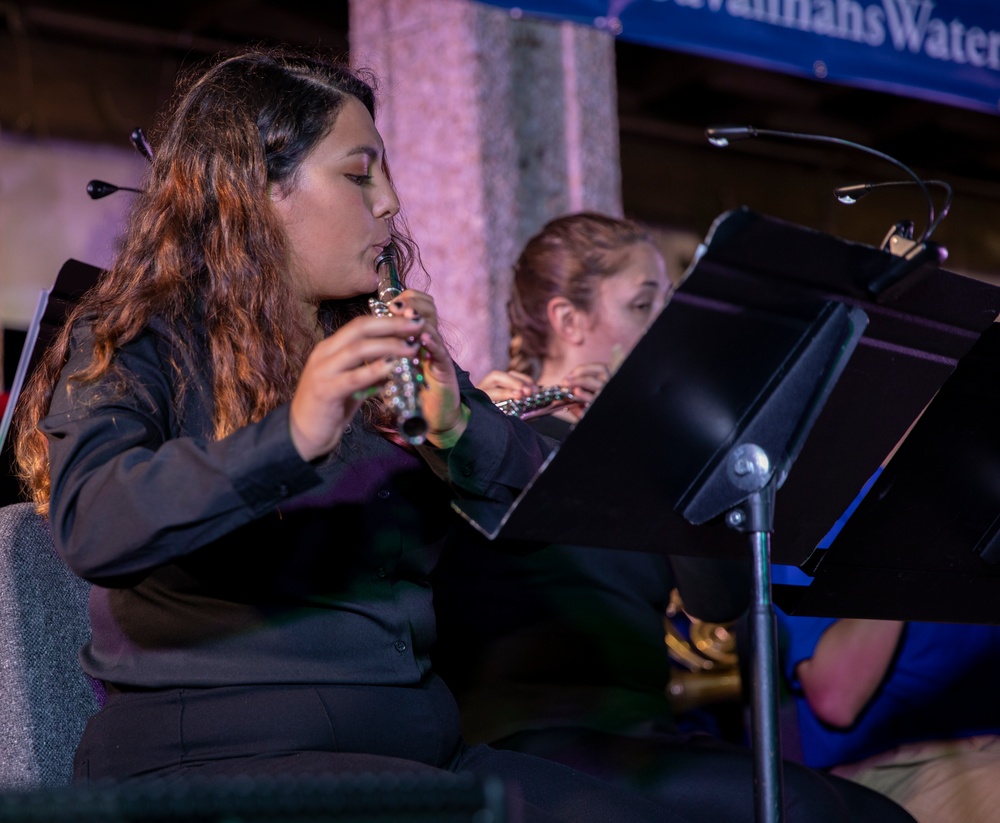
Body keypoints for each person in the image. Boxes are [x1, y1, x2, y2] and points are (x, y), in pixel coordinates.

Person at [10, 46, 707, 823]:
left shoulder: (380, 336)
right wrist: (293, 432)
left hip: (420, 750)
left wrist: (459, 428)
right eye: (358, 173)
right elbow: (92, 521)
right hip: (222, 760)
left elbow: (542, 517)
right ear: (260, 188)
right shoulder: (139, 334)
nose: (389, 202)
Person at [430, 211, 917, 823]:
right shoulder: (490, 432)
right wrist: (480, 439)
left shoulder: (647, 453)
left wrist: (668, 444)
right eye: (642, 306)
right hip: (525, 741)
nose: (663, 326)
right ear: (568, 320)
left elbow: (721, 600)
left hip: (643, 738)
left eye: (667, 305)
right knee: (814, 812)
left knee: (871, 815)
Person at [777, 611, 1000, 823]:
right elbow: (836, 700)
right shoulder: (798, 572)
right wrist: (900, 577)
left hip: (986, 747)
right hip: (884, 767)